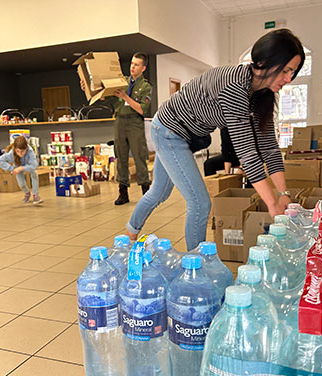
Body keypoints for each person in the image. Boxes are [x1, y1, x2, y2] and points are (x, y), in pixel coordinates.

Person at [126, 29, 305, 251]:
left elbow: (268, 147)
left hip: (183, 134)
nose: (288, 79)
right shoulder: (235, 85)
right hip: (169, 130)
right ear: (266, 62)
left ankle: (129, 235)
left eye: (293, 72)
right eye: (286, 71)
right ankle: (196, 268)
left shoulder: (262, 94)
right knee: (200, 204)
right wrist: (272, 205)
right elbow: (247, 153)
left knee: (159, 192)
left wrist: (283, 194)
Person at [99, 52, 153, 205]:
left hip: (134, 122)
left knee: (139, 156)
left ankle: (146, 193)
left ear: (143, 68)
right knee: (120, 157)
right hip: (120, 121)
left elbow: (142, 109)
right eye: (131, 63)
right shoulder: (122, 82)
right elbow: (104, 96)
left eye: (136, 65)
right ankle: (123, 193)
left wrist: (125, 97)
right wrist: (88, 88)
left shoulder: (146, 87)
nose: (132, 67)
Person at [0, 136, 42, 205]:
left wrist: (22, 168)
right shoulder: (11, 154)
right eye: (18, 151)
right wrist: (12, 169)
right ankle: (27, 193)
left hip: (29, 165)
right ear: (15, 149)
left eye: (22, 151)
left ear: (26, 149)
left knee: (34, 174)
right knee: (22, 184)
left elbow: (34, 165)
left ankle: (36, 195)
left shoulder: (30, 151)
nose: (20, 154)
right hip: (17, 166)